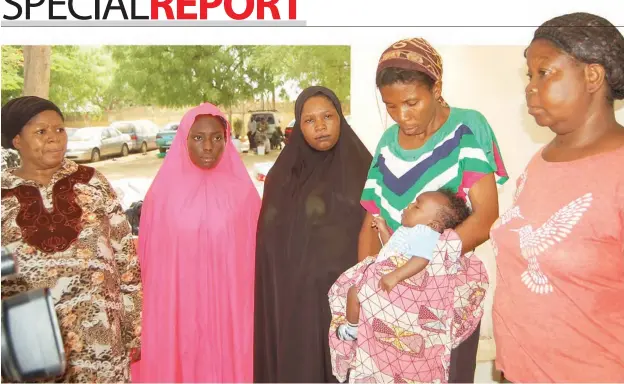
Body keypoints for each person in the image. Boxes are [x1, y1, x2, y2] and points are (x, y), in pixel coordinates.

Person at [354, 38, 509, 382]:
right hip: (392, 296)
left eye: (411, 102)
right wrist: (366, 281)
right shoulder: (386, 144)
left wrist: (424, 270)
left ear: (436, 88)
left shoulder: (467, 128)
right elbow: (372, 220)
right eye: (391, 106)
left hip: (445, 292)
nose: (402, 116)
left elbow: (485, 218)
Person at [491, 12, 624, 383]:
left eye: (544, 72)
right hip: (516, 371)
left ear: (592, 76)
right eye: (529, 76)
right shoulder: (541, 160)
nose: (530, 87)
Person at [0, 96, 142, 382]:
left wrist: (134, 327)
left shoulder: (93, 181)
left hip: (102, 338)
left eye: (60, 130)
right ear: (16, 140)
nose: (54, 139)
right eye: (41, 132)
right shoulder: (3, 193)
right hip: (31, 344)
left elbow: (126, 258)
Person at [131, 102, 261, 383]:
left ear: (227, 140)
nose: (208, 146)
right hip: (179, 306)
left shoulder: (243, 193)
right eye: (198, 137)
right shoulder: (162, 195)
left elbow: (254, 258)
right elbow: (149, 262)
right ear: (184, 139)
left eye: (217, 137)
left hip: (229, 307)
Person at [254, 86, 373, 383]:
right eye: (309, 120)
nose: (320, 126)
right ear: (299, 125)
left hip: (348, 302)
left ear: (340, 119)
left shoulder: (365, 170)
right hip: (297, 303)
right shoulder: (282, 177)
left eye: (327, 116)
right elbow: (268, 245)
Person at [337, 189, 471, 341]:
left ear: (432, 224)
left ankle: (352, 330)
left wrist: (396, 276)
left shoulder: (425, 233)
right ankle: (357, 328)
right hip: (390, 280)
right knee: (356, 295)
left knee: (355, 293)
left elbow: (422, 259)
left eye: (416, 206)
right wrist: (383, 229)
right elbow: (392, 251)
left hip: (398, 284)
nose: (409, 205)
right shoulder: (410, 233)